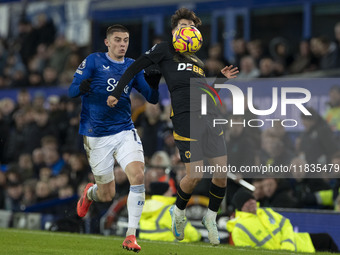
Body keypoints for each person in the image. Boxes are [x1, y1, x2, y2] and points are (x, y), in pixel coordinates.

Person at [106, 8, 239, 245]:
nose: (186, 29)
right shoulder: (164, 49)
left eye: (191, 26)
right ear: (174, 29)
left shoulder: (198, 60)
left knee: (221, 175)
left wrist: (219, 79)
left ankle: (211, 218)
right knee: (195, 174)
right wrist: (118, 92)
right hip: (185, 117)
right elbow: (134, 68)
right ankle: (178, 212)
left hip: (208, 115)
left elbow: (206, 92)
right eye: (182, 26)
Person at [68, 24, 159, 252]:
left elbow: (152, 98)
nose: (122, 44)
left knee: (138, 175)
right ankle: (90, 193)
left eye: (126, 40)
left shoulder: (132, 66)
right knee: (106, 194)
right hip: (96, 135)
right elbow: (70, 91)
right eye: (118, 40)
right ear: (108, 42)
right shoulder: (93, 61)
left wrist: (154, 82)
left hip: (124, 130)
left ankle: (131, 235)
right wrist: (82, 86)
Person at [227, 189, 339, 253]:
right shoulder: (239, 228)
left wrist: (287, 243)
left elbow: (285, 224)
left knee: (326, 239)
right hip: (280, 252)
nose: (251, 202)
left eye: (251, 198)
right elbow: (247, 252)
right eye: (246, 201)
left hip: (295, 242)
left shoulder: (266, 212)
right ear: (240, 207)